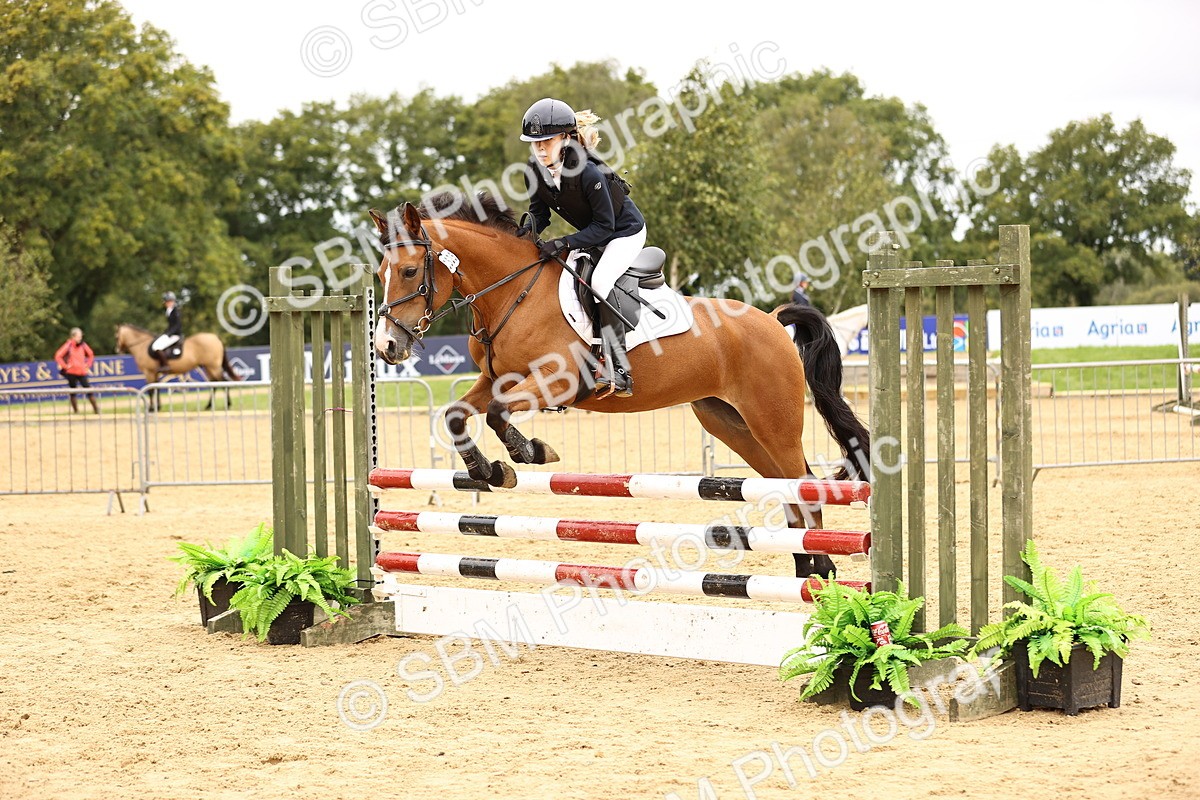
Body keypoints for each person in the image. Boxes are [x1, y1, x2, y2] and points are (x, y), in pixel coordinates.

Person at [520, 97, 646, 398]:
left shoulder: (588, 172)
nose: (540, 149)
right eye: (535, 143)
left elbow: (605, 226)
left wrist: (564, 242)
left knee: (599, 281)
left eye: (547, 141)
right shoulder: (533, 171)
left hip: (623, 233)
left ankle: (619, 369)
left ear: (565, 139)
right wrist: (521, 237)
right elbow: (540, 214)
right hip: (593, 234)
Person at [54, 327, 99, 414]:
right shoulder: (68, 345)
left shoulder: (83, 345)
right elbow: (58, 356)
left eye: (81, 336)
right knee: (73, 392)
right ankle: (76, 411)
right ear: (73, 337)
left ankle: (96, 410)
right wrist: (66, 366)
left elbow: (91, 354)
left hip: (82, 372)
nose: (80, 338)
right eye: (78, 336)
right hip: (71, 372)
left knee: (88, 390)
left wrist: (88, 365)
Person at [151, 291, 183, 372]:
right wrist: (164, 333)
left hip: (175, 335)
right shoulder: (169, 311)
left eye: (170, 301)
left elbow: (177, 325)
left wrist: (168, 334)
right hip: (171, 334)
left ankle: (165, 365)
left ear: (174, 301)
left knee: (156, 347)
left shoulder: (176, 311)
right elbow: (170, 325)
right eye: (167, 302)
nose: (169, 303)